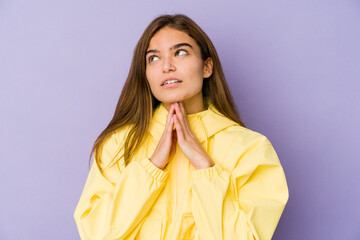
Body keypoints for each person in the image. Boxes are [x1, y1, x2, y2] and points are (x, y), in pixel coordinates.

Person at [74, 14, 289, 240]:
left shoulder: (250, 149)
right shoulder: (118, 144)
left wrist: (205, 168)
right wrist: (152, 167)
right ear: (145, 74)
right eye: (153, 59)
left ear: (207, 67)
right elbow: (96, 235)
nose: (167, 66)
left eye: (180, 52)